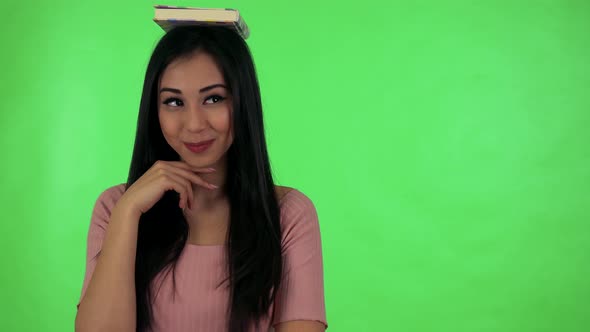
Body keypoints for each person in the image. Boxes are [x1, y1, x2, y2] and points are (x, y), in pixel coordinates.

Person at [75, 26, 327, 332]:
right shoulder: (116, 207)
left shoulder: (288, 215)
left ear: (243, 102)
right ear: (154, 111)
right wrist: (128, 213)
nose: (194, 124)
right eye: (174, 102)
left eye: (213, 99)